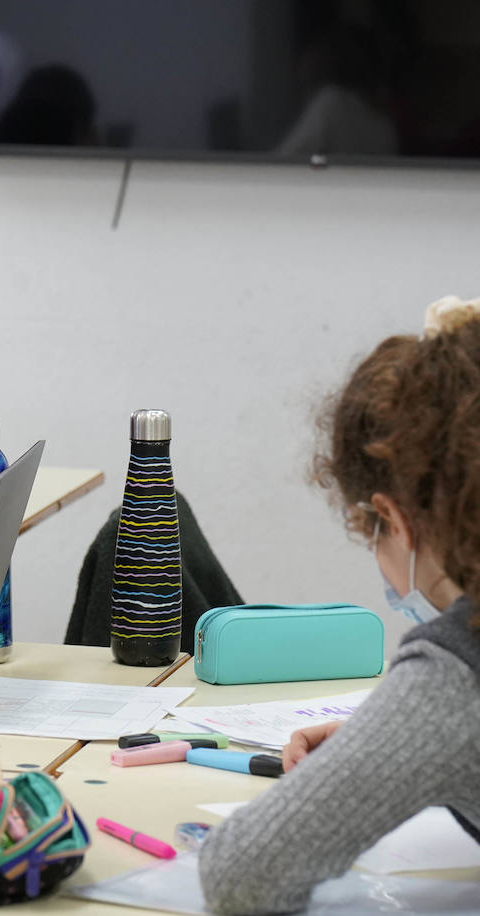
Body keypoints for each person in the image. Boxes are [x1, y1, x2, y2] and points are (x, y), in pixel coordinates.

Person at [199, 295, 480, 914]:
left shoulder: (455, 674)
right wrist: (393, 745)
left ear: (393, 518)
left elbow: (242, 875)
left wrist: (413, 730)